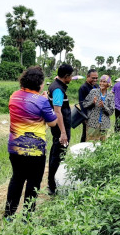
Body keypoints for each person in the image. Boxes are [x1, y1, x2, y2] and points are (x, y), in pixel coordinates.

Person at [4, 66, 57, 219]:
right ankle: (27, 216)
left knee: (17, 179)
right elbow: (52, 123)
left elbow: (26, 102)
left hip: (15, 148)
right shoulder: (42, 101)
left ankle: (9, 215)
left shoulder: (14, 96)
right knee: (33, 182)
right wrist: (46, 101)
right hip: (35, 150)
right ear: (39, 83)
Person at [47, 64, 73, 195]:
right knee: (58, 157)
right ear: (66, 76)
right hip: (60, 129)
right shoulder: (58, 89)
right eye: (71, 76)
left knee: (55, 154)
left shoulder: (55, 86)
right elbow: (57, 112)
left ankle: (52, 183)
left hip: (59, 129)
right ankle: (53, 186)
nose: (72, 78)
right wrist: (63, 133)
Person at [82, 75, 114, 141]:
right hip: (92, 123)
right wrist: (92, 102)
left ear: (108, 84)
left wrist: (104, 106)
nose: (101, 83)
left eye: (104, 82)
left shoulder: (111, 96)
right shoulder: (93, 92)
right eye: (101, 81)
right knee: (90, 144)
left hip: (104, 125)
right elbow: (84, 104)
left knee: (102, 145)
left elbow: (111, 112)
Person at [78, 69, 99, 143]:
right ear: (87, 76)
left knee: (95, 134)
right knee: (86, 134)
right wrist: (85, 118)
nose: (95, 80)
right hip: (88, 116)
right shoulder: (83, 88)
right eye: (93, 78)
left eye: (96, 78)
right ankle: (82, 150)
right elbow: (82, 104)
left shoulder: (96, 86)